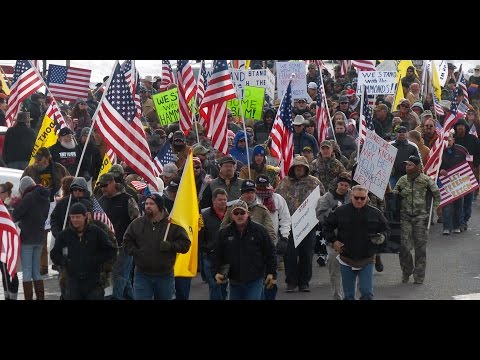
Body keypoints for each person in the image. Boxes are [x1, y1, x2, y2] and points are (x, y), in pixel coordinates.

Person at [323, 185, 389, 300]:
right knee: (348, 296)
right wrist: (333, 241)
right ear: (351, 196)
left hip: (367, 258)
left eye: (362, 198)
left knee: (367, 292)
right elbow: (326, 226)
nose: (359, 200)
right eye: (356, 197)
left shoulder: (376, 213)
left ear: (367, 198)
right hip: (346, 258)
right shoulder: (340, 211)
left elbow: (386, 229)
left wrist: (383, 237)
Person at [123, 193, 191, 300]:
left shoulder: (172, 224)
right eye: (146, 204)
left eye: (152, 204)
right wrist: (136, 252)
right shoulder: (137, 223)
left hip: (165, 275)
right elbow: (127, 241)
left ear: (159, 206)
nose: (148, 206)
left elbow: (186, 244)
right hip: (142, 274)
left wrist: (171, 246)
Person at [50, 202, 117, 299]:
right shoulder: (64, 235)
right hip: (72, 283)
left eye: (77, 217)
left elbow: (110, 251)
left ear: (85, 216)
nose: (75, 220)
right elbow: (54, 254)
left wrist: (95, 260)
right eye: (72, 217)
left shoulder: (96, 232)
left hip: (93, 281)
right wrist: (66, 262)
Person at [214, 200, 277, 300]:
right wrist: (217, 271)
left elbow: (270, 252)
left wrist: (272, 273)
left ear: (248, 214)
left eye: (242, 212)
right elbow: (218, 254)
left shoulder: (260, 231)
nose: (239, 215)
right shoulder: (224, 233)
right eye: (236, 213)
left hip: (255, 279)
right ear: (232, 215)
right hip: (234, 280)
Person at [393, 155, 440, 284]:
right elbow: (394, 192)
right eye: (406, 165)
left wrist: (434, 212)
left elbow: (437, 194)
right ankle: (406, 271)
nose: (407, 167)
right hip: (405, 217)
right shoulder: (402, 180)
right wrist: (395, 194)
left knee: (420, 248)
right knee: (404, 247)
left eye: (410, 165)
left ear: (417, 167)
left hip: (421, 217)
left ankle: (419, 275)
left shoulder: (426, 180)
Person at [12, 176, 50, 300]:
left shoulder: (29, 197)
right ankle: (40, 297)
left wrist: (15, 204)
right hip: (39, 238)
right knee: (36, 271)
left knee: (27, 271)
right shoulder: (45, 197)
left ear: (24, 188)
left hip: (27, 238)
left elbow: (16, 215)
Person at [316, 172, 352, 300]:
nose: (343, 187)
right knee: (334, 267)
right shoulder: (326, 198)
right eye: (341, 184)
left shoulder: (353, 196)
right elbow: (319, 215)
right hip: (333, 238)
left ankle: (349, 295)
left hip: (350, 239)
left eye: (346, 185)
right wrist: (334, 212)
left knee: (351, 269)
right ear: (337, 184)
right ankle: (337, 296)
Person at [199, 188, 229, 300]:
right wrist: (205, 248)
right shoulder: (204, 216)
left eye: (225, 199)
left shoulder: (232, 214)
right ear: (213, 200)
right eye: (220, 199)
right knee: (214, 285)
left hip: (226, 257)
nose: (223, 202)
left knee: (223, 286)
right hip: (209, 256)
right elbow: (200, 237)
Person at [0, 182, 19, 300]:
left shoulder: (13, 206)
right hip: (1, 243)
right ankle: (7, 295)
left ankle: (13, 296)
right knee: (4, 271)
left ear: (6, 194)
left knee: (12, 271)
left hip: (12, 243)